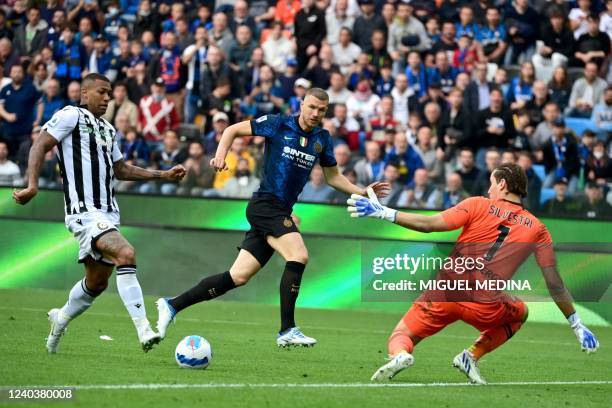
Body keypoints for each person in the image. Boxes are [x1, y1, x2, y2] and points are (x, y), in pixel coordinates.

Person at [156, 88, 389, 347]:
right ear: (301, 103)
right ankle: (287, 329)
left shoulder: (322, 138)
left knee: (237, 276)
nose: (315, 113)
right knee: (298, 255)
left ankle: (172, 305)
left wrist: (362, 192)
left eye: (321, 110)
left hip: (279, 211)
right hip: (265, 205)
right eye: (311, 107)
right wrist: (221, 154)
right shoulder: (277, 124)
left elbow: (333, 177)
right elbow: (232, 129)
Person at [347, 163, 600, 384]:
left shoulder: (477, 204)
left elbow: (429, 225)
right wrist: (576, 325)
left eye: (491, 183)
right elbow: (554, 283)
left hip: (445, 292)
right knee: (520, 312)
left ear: (502, 184)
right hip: (486, 304)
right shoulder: (538, 228)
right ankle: (470, 356)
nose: (489, 189)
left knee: (402, 334)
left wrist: (384, 212)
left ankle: (402, 354)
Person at [12, 73, 186, 354]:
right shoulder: (71, 115)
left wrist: (163, 174)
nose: (107, 98)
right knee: (126, 254)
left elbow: (122, 169)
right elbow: (40, 144)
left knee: (96, 283)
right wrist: (32, 184)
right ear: (85, 93)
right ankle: (144, 329)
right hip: (84, 212)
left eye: (110, 93)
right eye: (102, 92)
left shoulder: (107, 129)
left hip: (108, 213)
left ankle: (60, 318)